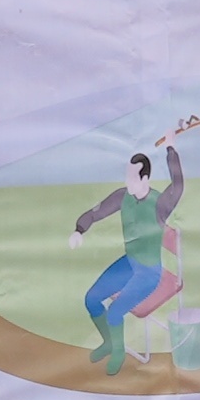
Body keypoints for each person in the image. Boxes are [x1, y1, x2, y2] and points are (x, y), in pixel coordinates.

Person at [72, 139, 183, 374]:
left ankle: (119, 353)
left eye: (132, 178)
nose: (127, 182)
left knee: (114, 311)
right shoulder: (124, 196)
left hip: (149, 273)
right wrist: (79, 230)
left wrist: (171, 149)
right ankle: (109, 342)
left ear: (145, 179)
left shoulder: (159, 204)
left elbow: (178, 185)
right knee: (91, 299)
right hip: (129, 264)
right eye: (127, 176)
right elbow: (97, 211)